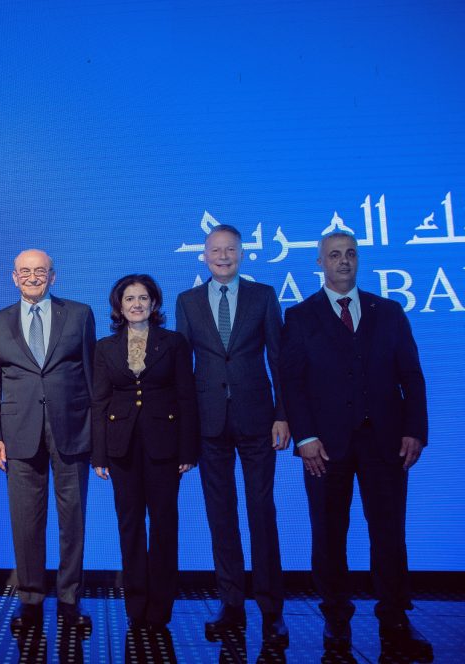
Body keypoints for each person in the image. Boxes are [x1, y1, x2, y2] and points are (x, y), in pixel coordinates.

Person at [280, 231, 431, 660]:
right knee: (329, 534)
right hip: (324, 447)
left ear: (358, 259)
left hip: (386, 442)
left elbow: (411, 376)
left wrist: (415, 430)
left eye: (349, 254)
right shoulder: (300, 316)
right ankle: (336, 619)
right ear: (320, 263)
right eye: (334, 255)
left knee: (389, 533)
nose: (343, 261)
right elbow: (292, 382)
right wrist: (305, 437)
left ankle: (395, 618)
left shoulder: (390, 311)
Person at [174, 225, 289, 645]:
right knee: (220, 515)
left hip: (258, 419)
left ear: (242, 254)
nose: (223, 256)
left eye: (230, 250)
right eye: (216, 250)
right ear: (204, 255)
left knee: (262, 512)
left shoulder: (263, 296)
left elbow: (279, 359)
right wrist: (185, 429)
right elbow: (182, 370)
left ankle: (272, 609)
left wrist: (283, 415)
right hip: (209, 424)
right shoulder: (187, 301)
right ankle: (231, 604)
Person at [0, 249, 95, 632]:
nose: (33, 277)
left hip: (73, 431)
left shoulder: (79, 315)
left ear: (53, 276)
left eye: (41, 271)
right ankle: (30, 598)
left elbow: (92, 377)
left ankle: (70, 599)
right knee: (25, 521)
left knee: (73, 520)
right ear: (14, 277)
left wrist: (97, 436)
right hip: (18, 434)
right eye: (25, 272)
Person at [92, 274, 198, 631]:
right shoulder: (104, 347)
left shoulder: (174, 343)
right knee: (130, 524)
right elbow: (99, 401)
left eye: (142, 298)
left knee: (165, 524)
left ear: (154, 304)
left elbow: (186, 396)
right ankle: (136, 605)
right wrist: (99, 454)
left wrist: (188, 449)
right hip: (121, 447)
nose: (136, 304)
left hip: (165, 446)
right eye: (129, 299)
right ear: (119, 307)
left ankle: (160, 608)